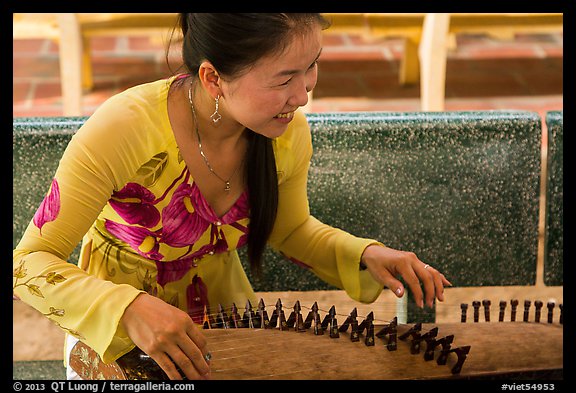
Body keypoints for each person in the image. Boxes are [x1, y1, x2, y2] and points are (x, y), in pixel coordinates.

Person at [13, 13, 451, 380]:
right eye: (283, 79)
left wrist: (367, 254)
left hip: (222, 318)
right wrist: (128, 308)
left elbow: (292, 228)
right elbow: (26, 263)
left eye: (312, 66)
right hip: (118, 330)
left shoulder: (283, 130)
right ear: (213, 78)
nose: (303, 95)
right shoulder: (124, 129)